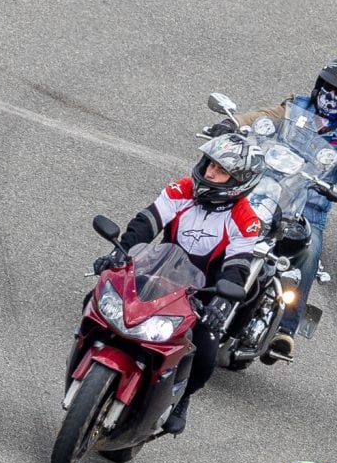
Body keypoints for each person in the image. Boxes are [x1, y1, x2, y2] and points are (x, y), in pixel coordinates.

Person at [100, 133, 265, 436]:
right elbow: (146, 223)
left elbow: (238, 267)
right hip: (156, 273)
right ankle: (92, 348)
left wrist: (220, 304)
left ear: (239, 181)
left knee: (206, 355)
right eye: (210, 164)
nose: (210, 173)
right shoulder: (181, 189)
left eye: (221, 170)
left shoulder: (246, 219)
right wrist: (118, 254)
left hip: (200, 295)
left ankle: (182, 398)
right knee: (97, 298)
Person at [228, 58, 337, 359]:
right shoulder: (295, 106)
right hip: (264, 191)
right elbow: (262, 117)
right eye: (328, 88)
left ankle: (285, 330)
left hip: (306, 211)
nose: (331, 96)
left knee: (310, 252)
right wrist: (234, 124)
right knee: (218, 211)